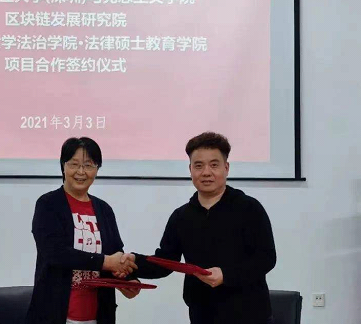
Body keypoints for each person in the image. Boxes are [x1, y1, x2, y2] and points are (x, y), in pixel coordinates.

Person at [127, 132, 276, 324]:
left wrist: (226, 275)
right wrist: (134, 262)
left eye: (214, 165)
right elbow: (166, 262)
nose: (206, 172)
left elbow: (266, 258)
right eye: (198, 166)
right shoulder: (181, 216)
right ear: (190, 169)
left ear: (226, 168)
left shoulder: (249, 208)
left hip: (250, 315)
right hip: (202, 315)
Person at [26, 137, 139, 324]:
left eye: (88, 165)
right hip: (55, 314)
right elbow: (55, 253)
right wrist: (107, 262)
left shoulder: (104, 210)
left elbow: (116, 253)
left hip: (98, 316)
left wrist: (127, 280)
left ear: (97, 169)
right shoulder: (48, 204)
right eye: (74, 164)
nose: (81, 172)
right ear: (63, 166)